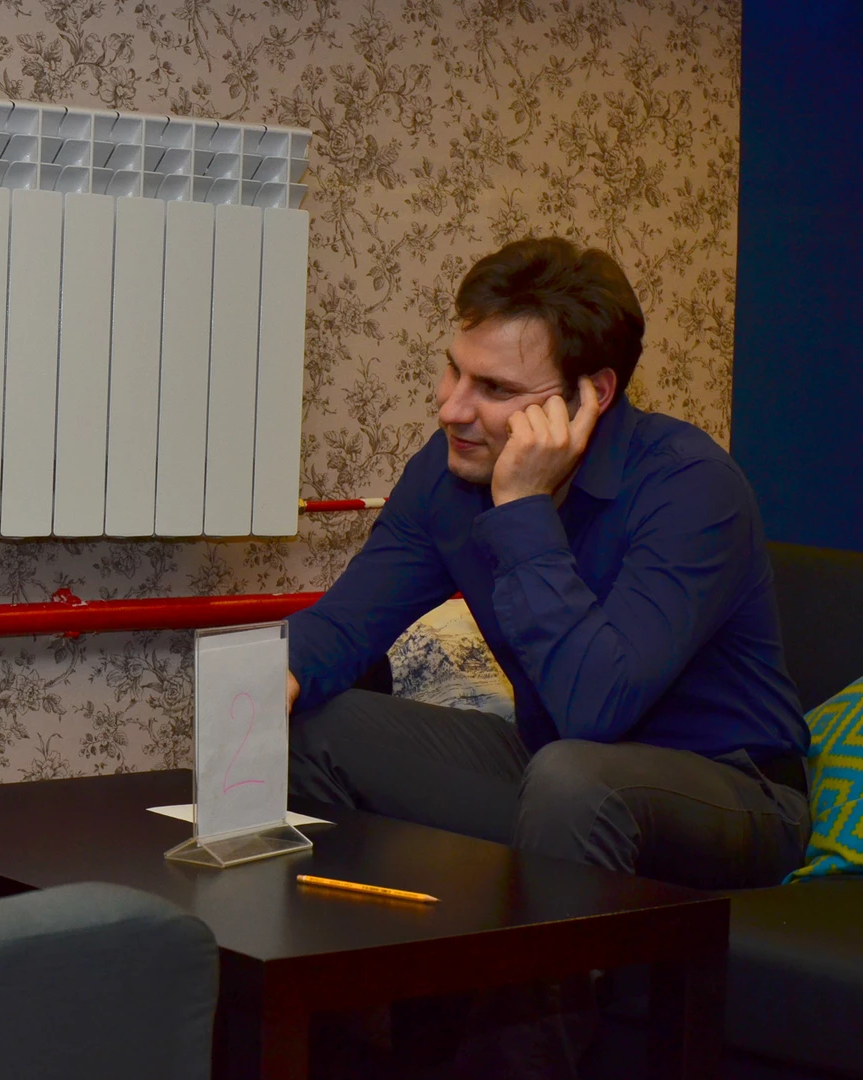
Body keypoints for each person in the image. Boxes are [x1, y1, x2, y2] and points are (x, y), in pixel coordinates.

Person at [286, 236, 810, 892]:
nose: (452, 409)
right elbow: (344, 624)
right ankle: (364, 957)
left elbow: (598, 707)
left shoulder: (693, 487)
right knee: (314, 723)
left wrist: (523, 508)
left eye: (494, 388)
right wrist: (267, 681)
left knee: (574, 780)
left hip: (731, 790)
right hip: (554, 770)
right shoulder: (447, 476)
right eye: (454, 371)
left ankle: (535, 967)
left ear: (592, 395)